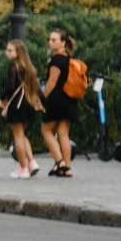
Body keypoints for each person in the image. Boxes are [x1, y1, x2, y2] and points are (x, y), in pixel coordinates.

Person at [39, 27, 79, 178]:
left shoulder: (56, 59)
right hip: (70, 101)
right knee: (63, 134)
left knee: (46, 131)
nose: (51, 42)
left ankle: (60, 162)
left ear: (63, 42)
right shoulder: (69, 58)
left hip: (56, 101)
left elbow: (52, 82)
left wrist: (42, 99)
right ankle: (67, 168)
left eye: (54, 39)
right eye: (50, 39)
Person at [0, 39, 43, 178]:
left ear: (18, 52)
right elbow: (37, 88)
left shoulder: (14, 67)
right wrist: (43, 102)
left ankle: (23, 167)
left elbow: (11, 87)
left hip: (17, 105)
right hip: (29, 104)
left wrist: (2, 97)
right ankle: (32, 161)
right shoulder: (30, 68)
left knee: (17, 136)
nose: (7, 52)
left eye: (10, 50)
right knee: (22, 135)